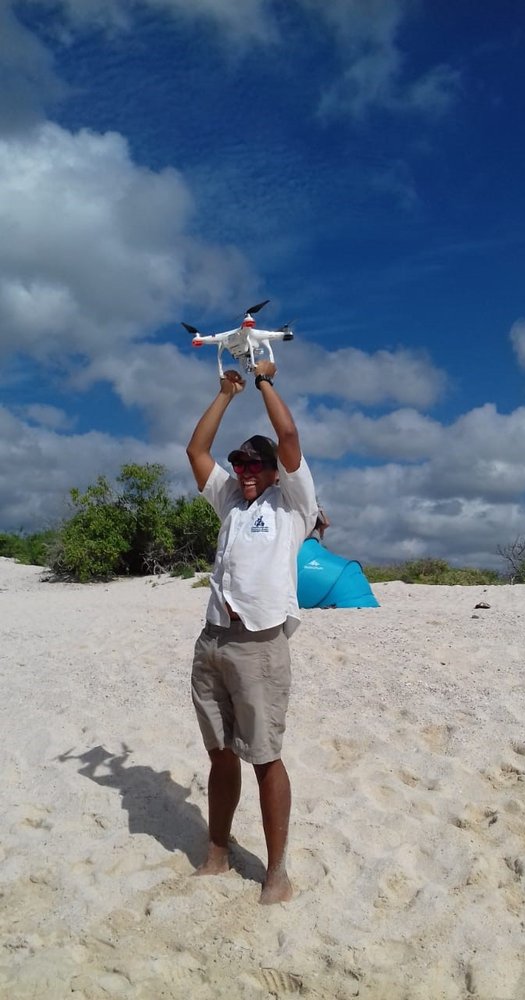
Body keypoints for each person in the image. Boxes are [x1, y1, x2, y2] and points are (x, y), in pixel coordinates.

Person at [186, 358, 317, 904]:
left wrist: (264, 381)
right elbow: (196, 452)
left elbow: (287, 435)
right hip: (213, 639)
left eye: (255, 463)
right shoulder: (230, 504)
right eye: (240, 461)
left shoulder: (291, 505)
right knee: (219, 752)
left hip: (260, 643)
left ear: (274, 470)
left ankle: (277, 873)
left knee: (264, 756)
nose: (244, 469)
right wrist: (225, 393)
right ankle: (218, 848)